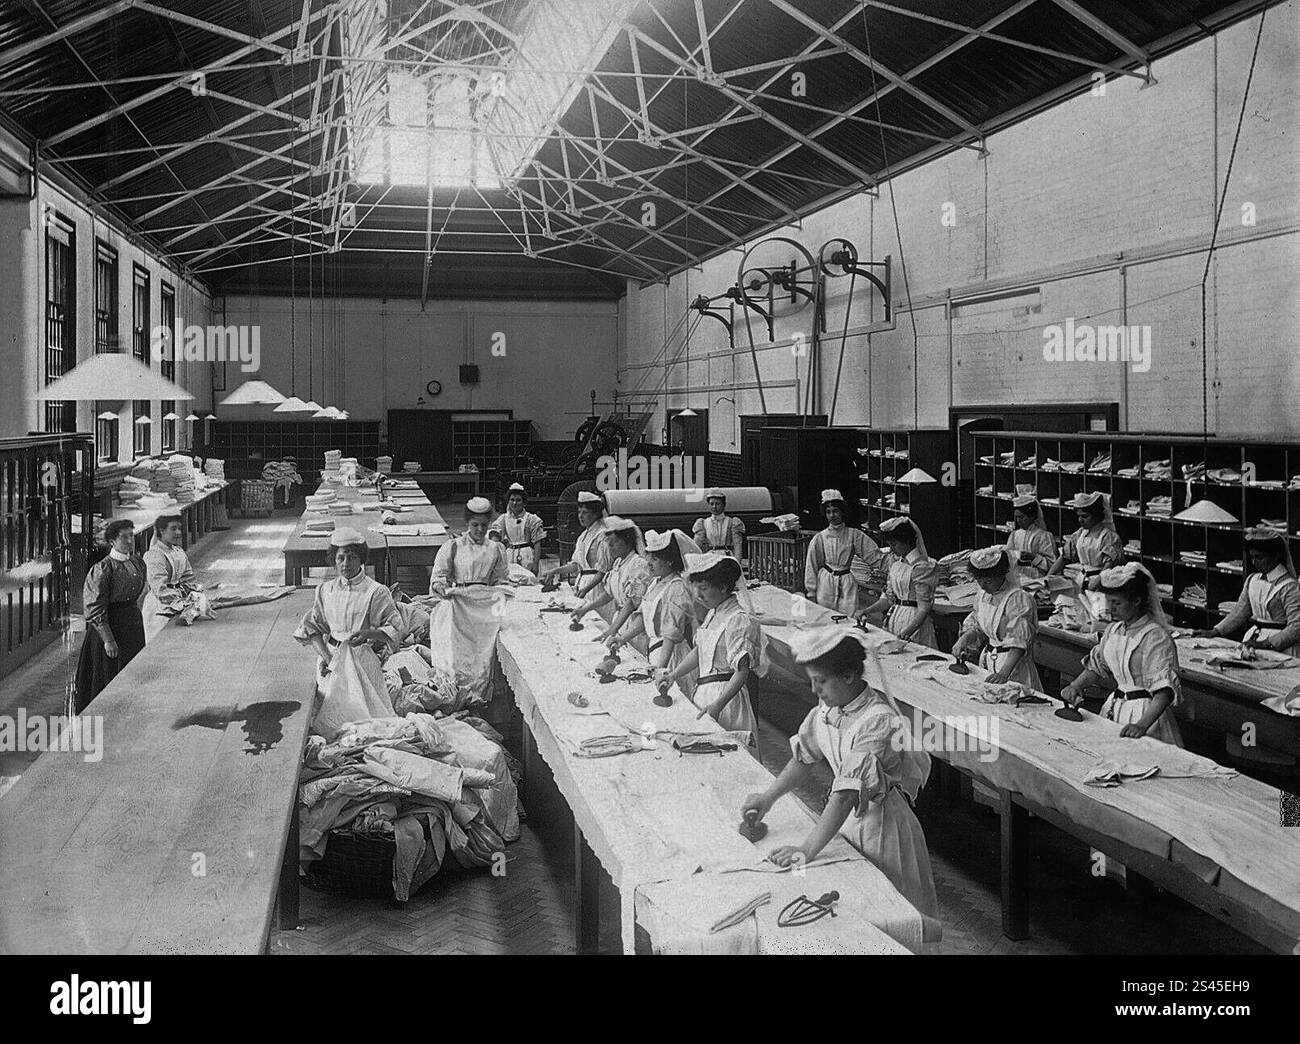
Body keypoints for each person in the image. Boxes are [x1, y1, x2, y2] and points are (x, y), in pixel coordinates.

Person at [742, 626, 938, 919]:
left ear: (848, 676)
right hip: (845, 822)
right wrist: (767, 798)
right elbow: (803, 758)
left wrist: (807, 849)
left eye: (820, 681)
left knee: (887, 912)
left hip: (882, 830)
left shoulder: (877, 721)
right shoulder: (829, 706)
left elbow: (846, 796)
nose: (814, 690)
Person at [293, 527, 402, 738]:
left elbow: (395, 626)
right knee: (329, 719)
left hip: (361, 658)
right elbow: (312, 628)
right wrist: (326, 656)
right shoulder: (325, 590)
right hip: (332, 658)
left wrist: (368, 634)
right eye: (340, 558)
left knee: (366, 719)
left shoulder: (376, 591)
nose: (345, 564)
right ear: (333, 560)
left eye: (351, 558)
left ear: (361, 559)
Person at [1061, 563, 1183, 745]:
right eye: (1108, 602)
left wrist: (1141, 725)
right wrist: (1076, 685)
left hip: (1146, 714)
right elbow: (1098, 666)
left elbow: (1164, 691)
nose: (1110, 609)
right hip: (1115, 707)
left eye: (1117, 603)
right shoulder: (1113, 630)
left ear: (1137, 601)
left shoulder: (1156, 637)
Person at [656, 551, 765, 738]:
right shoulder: (713, 614)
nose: (698, 595)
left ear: (723, 587)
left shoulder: (738, 620)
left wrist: (718, 705)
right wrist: (674, 674)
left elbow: (742, 672)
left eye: (704, 588)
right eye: (695, 588)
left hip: (726, 699)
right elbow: (700, 652)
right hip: (705, 693)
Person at [427, 496, 511, 705]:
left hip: (485, 608)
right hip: (459, 608)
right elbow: (438, 577)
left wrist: (500, 593)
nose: (480, 530)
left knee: (484, 659)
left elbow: (501, 579)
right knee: (458, 659)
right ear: (467, 523)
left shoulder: (496, 549)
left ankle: (480, 702)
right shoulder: (453, 546)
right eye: (475, 525)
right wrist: (443, 589)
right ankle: (457, 701)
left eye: (484, 525)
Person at [604, 529, 701, 692]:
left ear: (669, 561)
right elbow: (643, 617)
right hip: (655, 650)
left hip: (671, 656)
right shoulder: (656, 582)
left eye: (654, 559)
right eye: (649, 558)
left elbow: (671, 634)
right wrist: (622, 638)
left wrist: (660, 670)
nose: (649, 563)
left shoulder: (677, 588)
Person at [74, 518, 147, 713]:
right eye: (124, 537)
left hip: (132, 625)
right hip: (109, 628)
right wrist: (108, 640)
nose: (130, 541)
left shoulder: (137, 562)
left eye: (132, 536)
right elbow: (95, 607)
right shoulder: (102, 569)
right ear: (112, 541)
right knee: (109, 674)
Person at [1194, 529, 1300, 656]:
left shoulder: (1289, 587)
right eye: (1252, 557)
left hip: (1281, 647)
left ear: (1276, 556)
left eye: (1260, 557)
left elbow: (1296, 627)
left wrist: (1265, 643)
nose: (1254, 562)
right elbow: (1240, 611)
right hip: (1253, 641)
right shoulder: (1252, 580)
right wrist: (1216, 631)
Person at [952, 546, 1043, 690]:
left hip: (1012, 666)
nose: (982, 586)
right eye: (979, 581)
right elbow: (978, 625)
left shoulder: (1017, 599)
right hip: (989, 660)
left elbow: (1018, 641)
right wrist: (964, 639)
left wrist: (1004, 673)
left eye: (987, 582)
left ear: (1002, 574)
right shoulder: (983, 595)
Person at [856, 516, 937, 648]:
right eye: (890, 544)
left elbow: (924, 608)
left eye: (894, 544)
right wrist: (867, 610)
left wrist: (909, 631)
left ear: (907, 541)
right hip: (895, 617)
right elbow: (888, 599)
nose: (892, 549)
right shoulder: (896, 564)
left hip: (915, 621)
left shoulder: (922, 567)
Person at [805, 489, 883, 615]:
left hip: (847, 582)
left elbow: (873, 555)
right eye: (828, 512)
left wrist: (894, 565)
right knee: (825, 618)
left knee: (849, 618)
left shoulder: (854, 534)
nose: (832, 515)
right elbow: (811, 565)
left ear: (842, 512)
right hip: (825, 582)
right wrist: (811, 592)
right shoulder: (820, 537)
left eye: (835, 511)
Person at [142, 514, 214, 637]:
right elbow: (160, 590)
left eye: (180, 528)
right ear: (162, 530)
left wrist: (198, 593)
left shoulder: (178, 551)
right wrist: (185, 602)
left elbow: (188, 578)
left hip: (177, 602)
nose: (178, 532)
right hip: (159, 607)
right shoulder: (154, 555)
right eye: (173, 528)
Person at [575, 516, 651, 632]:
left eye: (613, 543)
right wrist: (585, 609)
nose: (610, 548)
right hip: (620, 620)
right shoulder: (618, 563)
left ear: (626, 541)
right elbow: (609, 593)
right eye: (609, 544)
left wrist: (612, 629)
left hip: (633, 624)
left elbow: (631, 603)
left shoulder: (638, 565)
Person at [539, 490, 610, 599]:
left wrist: (587, 588)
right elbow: (576, 565)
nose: (580, 516)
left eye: (585, 512)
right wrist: (554, 571)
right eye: (579, 512)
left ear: (595, 514)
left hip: (597, 587)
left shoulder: (602, 535)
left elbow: (603, 570)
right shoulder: (583, 536)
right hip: (582, 585)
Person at [1049, 491, 1122, 582]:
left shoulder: (1109, 537)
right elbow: (1064, 557)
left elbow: (1108, 567)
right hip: (1082, 578)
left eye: (1085, 516)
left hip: (1102, 581)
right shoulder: (1080, 534)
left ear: (1096, 516)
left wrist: (1094, 585)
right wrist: (1048, 577)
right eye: (1079, 516)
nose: (1080, 520)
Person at [491, 482, 546, 574]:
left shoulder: (531, 519)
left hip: (527, 555)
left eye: (518, 500)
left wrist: (536, 564)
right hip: (509, 555)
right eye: (512, 500)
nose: (515, 503)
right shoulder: (503, 519)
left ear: (524, 503)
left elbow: (537, 544)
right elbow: (495, 534)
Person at [1004, 494, 1057, 579]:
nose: (1018, 521)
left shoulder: (1043, 536)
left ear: (1031, 516)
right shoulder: (1015, 535)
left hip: (1037, 577)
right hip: (1018, 575)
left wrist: (1033, 557)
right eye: (1016, 517)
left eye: (1021, 517)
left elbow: (1052, 564)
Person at [693, 488, 745, 560]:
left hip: (727, 557)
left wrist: (737, 562)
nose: (714, 507)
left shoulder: (732, 522)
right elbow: (697, 546)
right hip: (710, 558)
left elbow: (737, 546)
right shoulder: (703, 523)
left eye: (717, 504)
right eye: (711, 504)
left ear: (724, 505)